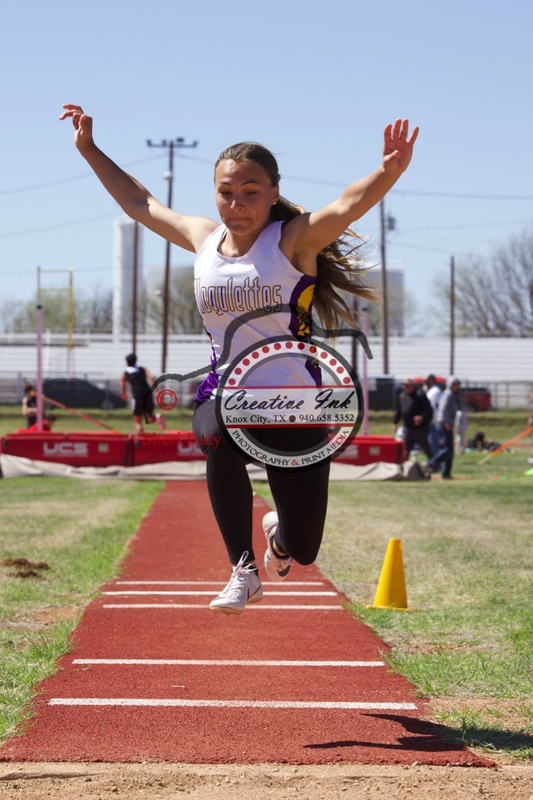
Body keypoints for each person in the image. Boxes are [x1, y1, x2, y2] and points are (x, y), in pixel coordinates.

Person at [60, 103, 419, 614]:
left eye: (250, 193)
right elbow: (140, 203)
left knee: (304, 548)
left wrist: (389, 171)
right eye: (226, 193)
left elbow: (346, 206)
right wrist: (90, 150)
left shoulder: (292, 241)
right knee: (213, 428)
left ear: (273, 193)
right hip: (230, 393)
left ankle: (277, 535)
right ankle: (243, 570)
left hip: (295, 405)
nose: (237, 204)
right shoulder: (204, 240)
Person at [120, 353, 166, 435]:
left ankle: (139, 442)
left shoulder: (126, 373)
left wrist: (123, 394)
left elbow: (122, 383)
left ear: (127, 362)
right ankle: (157, 417)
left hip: (137, 396)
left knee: (138, 421)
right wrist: (157, 390)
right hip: (148, 394)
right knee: (150, 418)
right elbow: (151, 377)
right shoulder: (142, 369)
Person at [393, 378, 434, 469]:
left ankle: (434, 464)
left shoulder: (420, 395)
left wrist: (422, 417)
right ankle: (404, 466)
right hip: (408, 428)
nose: (406, 388)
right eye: (404, 386)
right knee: (406, 449)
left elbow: (428, 410)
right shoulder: (402, 396)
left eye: (408, 386)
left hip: (420, 428)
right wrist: (395, 422)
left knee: (425, 447)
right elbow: (399, 411)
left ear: (413, 386)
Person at [434, 376, 462, 479]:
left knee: (448, 450)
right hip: (444, 424)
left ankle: (446, 473)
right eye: (456, 384)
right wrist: (446, 423)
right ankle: (431, 464)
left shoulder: (452, 395)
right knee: (447, 450)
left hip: (447, 423)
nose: (458, 387)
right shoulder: (448, 394)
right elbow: (443, 409)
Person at [425, 373, 442, 455]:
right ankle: (433, 460)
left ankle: (435, 461)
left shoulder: (435, 391)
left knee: (434, 442)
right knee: (431, 441)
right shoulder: (431, 391)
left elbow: (434, 406)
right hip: (430, 420)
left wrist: (431, 418)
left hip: (434, 420)